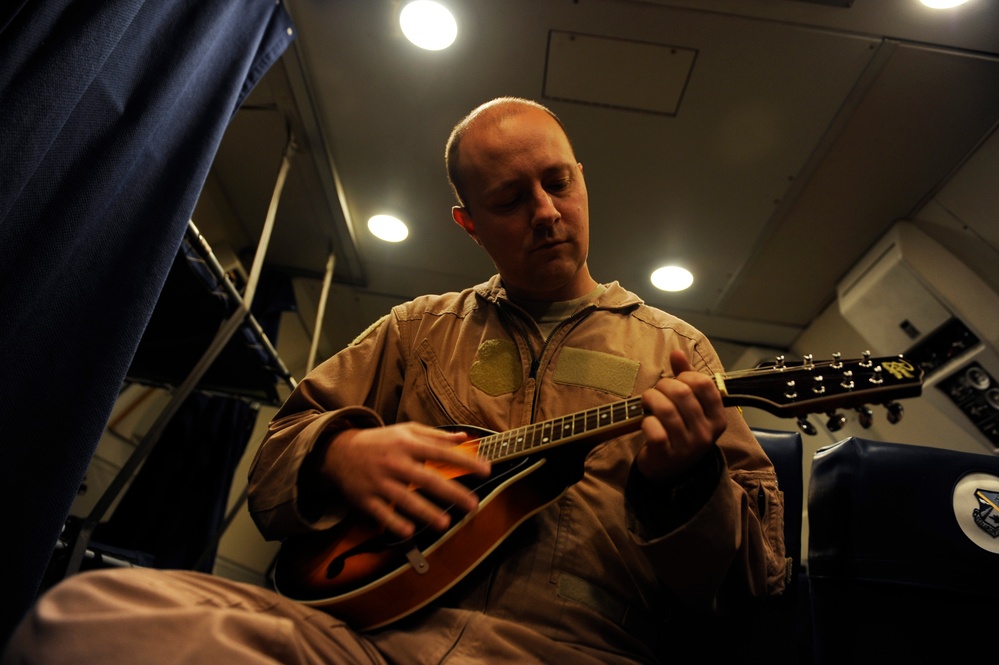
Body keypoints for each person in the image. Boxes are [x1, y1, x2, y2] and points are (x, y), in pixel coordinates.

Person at [2, 97, 787, 664]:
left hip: (566, 647)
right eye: (511, 199)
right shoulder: (417, 329)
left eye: (558, 182)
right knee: (85, 614)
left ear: (583, 178)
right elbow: (274, 464)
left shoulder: (677, 350)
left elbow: (757, 582)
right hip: (358, 638)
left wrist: (687, 486)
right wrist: (337, 455)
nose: (546, 212)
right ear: (468, 222)